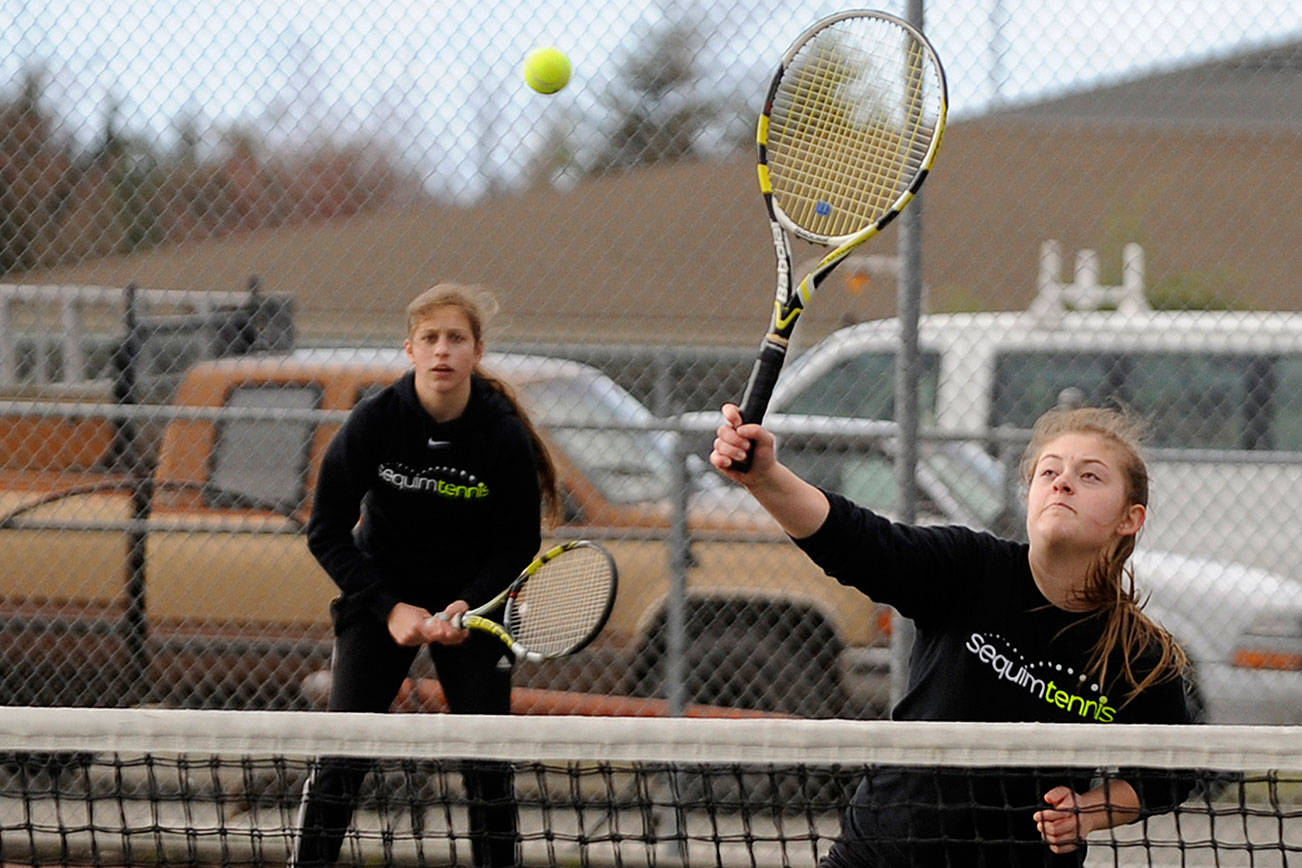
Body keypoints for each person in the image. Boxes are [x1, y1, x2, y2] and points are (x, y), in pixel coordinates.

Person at [709, 403, 1194, 866]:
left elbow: (1172, 773)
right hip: (884, 853)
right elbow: (860, 543)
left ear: (1130, 519)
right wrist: (766, 477)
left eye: (1089, 476)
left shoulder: (1138, 654)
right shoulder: (970, 569)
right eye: (1049, 472)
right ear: (1029, 495)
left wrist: (1089, 811)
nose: (1063, 482)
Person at [291, 284, 560, 868]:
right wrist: (390, 609)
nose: (443, 351)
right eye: (430, 338)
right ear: (409, 349)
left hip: (477, 604)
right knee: (344, 756)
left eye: (456, 338)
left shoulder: (501, 433)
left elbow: (519, 542)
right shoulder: (375, 422)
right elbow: (326, 530)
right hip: (380, 594)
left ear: (476, 352)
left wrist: (470, 605)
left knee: (487, 767)